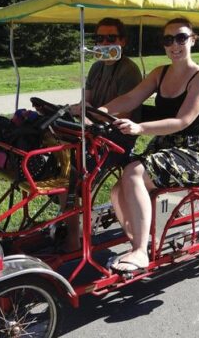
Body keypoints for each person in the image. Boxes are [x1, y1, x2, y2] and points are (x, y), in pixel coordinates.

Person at [99, 18, 199, 272]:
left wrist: (140, 128)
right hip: (166, 145)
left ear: (193, 39)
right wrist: (98, 111)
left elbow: (182, 121)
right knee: (118, 189)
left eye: (181, 38)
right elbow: (130, 98)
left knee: (134, 173)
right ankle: (138, 245)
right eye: (168, 39)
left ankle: (141, 252)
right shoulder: (159, 72)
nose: (174, 44)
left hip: (194, 151)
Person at [64, 18, 142, 252]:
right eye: (99, 38)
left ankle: (74, 233)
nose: (104, 43)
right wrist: (76, 109)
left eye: (111, 38)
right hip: (93, 132)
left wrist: (89, 115)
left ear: (123, 41)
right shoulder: (97, 66)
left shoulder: (129, 70)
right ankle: (69, 221)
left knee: (76, 175)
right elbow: (86, 101)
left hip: (117, 138)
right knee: (57, 161)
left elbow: (123, 111)